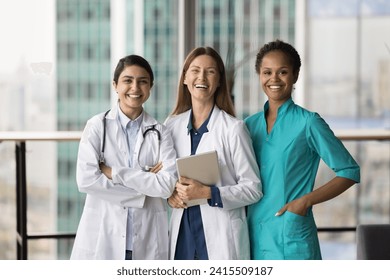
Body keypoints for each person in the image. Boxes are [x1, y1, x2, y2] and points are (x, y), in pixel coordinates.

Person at [244, 39, 361, 260]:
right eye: (267, 72)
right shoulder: (249, 126)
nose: (274, 79)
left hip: (293, 237)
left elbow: (349, 171)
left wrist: (305, 201)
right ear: (259, 75)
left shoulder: (308, 122)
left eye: (283, 72)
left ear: (295, 75)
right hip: (254, 236)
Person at [70, 55, 177, 260]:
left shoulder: (160, 132)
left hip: (146, 239)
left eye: (142, 81)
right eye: (128, 80)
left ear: (150, 87)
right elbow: (86, 180)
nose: (135, 88)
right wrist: (145, 188)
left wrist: (113, 173)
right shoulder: (96, 127)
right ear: (115, 85)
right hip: (103, 236)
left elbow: (166, 186)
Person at [165, 46, 262, 260]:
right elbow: (162, 178)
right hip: (183, 235)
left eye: (210, 72)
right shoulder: (170, 127)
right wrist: (169, 195)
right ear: (184, 78)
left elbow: (253, 188)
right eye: (195, 70)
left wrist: (210, 193)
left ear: (219, 81)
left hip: (221, 235)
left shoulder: (234, 129)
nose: (202, 77)